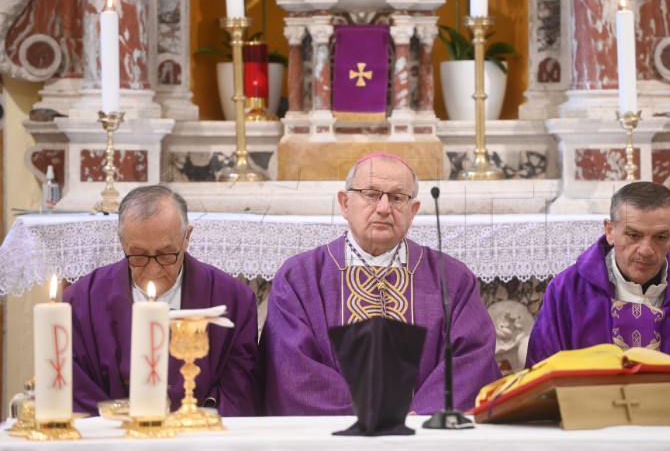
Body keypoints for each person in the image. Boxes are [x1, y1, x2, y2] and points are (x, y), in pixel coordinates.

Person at [259, 152, 500, 415]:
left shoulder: (452, 278)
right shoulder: (299, 278)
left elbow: (471, 361)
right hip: (333, 445)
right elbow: (292, 369)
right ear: (344, 203)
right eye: (371, 194)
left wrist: (422, 413)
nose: (384, 208)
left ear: (413, 211)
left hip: (426, 441)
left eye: (397, 198)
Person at [526, 181, 670, 413]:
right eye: (633, 235)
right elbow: (540, 377)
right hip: (589, 431)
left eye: (660, 237)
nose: (646, 249)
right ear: (610, 231)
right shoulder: (566, 292)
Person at [65, 184, 260, 416]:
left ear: (186, 238)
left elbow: (239, 393)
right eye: (138, 255)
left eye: (166, 255)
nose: (153, 269)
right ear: (121, 242)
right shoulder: (82, 299)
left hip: (199, 442)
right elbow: (79, 391)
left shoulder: (233, 300)